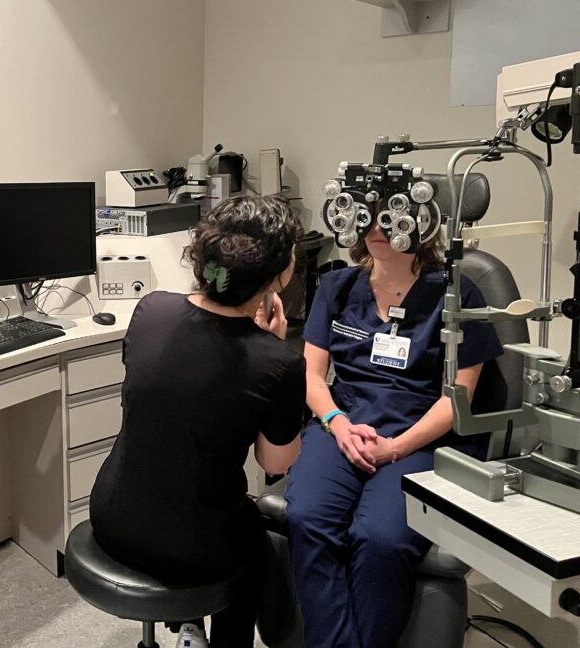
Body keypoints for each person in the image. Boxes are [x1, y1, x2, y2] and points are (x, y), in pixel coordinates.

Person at [88, 196, 306, 648]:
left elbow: (172, 396)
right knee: (256, 540)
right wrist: (274, 352)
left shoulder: (151, 310)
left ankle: (188, 624)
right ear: (280, 274)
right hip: (193, 548)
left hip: (111, 514)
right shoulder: (280, 361)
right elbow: (276, 461)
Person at [284, 221, 503, 648]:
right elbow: (311, 377)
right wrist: (337, 423)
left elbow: (457, 398)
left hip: (420, 437)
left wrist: (395, 448)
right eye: (367, 217)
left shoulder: (458, 294)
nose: (376, 229)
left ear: (422, 223)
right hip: (343, 426)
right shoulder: (338, 287)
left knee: (380, 539)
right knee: (307, 518)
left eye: (393, 218)